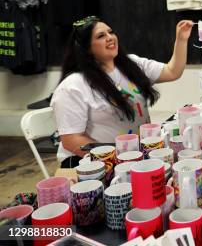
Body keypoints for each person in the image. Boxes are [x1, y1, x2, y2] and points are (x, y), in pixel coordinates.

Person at [51, 16, 194, 167]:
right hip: (92, 163)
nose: (110, 37)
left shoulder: (131, 64)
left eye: (110, 32)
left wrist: (181, 39)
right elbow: (71, 140)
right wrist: (117, 157)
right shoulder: (72, 87)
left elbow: (172, 71)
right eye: (101, 36)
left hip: (134, 157)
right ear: (86, 48)